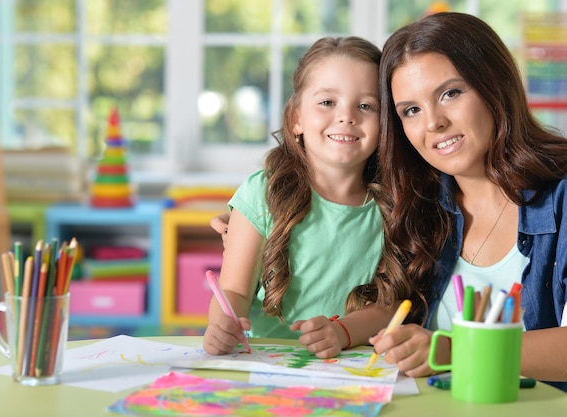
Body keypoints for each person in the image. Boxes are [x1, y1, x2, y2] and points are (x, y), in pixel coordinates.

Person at [363, 12, 567, 391]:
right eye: (411, 110)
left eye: (450, 93)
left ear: (495, 86)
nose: (433, 123)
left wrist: (457, 349)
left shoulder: (563, 197)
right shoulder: (417, 206)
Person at [203, 36, 396, 358]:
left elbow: (389, 305)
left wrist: (341, 332)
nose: (346, 116)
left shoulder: (394, 204)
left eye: (366, 105)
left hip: (353, 366)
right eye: (327, 102)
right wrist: (223, 323)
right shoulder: (262, 192)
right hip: (267, 362)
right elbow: (234, 289)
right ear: (296, 119)